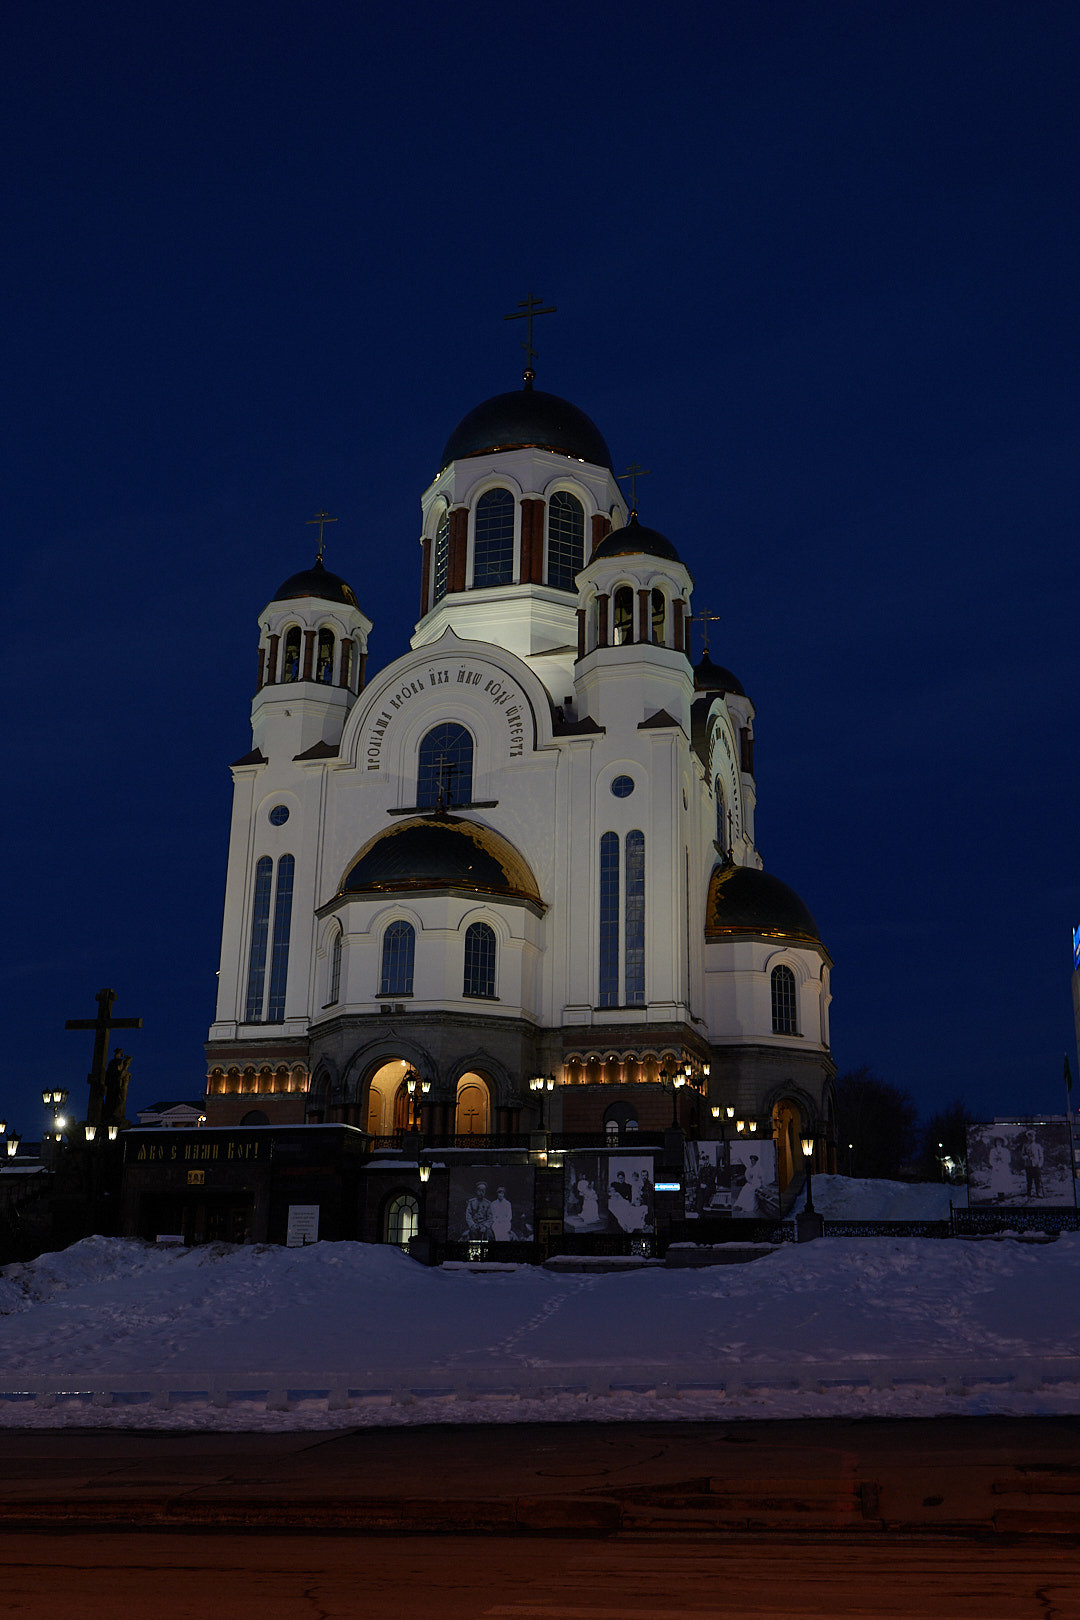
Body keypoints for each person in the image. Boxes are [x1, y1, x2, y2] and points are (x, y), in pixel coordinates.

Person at [1020, 1133, 1045, 1199]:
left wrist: (1040, 1164)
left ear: (1034, 1137)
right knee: (1029, 1180)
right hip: (1028, 1165)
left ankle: (1038, 1193)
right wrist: (1025, 1157)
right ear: (1028, 1137)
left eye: (1032, 1136)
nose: (1031, 1138)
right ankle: (1029, 1193)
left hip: (1036, 1165)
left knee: (1037, 1180)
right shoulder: (1025, 1145)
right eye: (1029, 1136)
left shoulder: (1038, 1146)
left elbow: (1041, 1156)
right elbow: (1022, 1155)